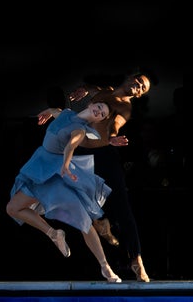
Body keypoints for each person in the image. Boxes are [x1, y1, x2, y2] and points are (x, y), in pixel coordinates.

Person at [37, 72, 152, 282]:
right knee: (77, 195)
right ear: (128, 78)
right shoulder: (105, 92)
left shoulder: (125, 107)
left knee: (122, 206)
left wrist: (113, 138)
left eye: (141, 88)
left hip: (103, 151)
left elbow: (115, 123)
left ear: (139, 95)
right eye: (137, 81)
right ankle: (100, 222)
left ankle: (136, 259)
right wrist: (85, 91)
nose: (137, 86)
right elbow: (94, 90)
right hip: (80, 149)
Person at [6, 101, 122, 283]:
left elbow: (71, 145)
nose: (98, 111)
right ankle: (53, 234)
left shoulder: (80, 129)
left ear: (97, 120)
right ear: (92, 104)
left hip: (53, 172)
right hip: (38, 166)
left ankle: (105, 266)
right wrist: (47, 111)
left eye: (101, 114)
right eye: (99, 107)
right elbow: (56, 112)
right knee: (13, 208)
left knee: (83, 220)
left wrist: (66, 163)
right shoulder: (67, 113)